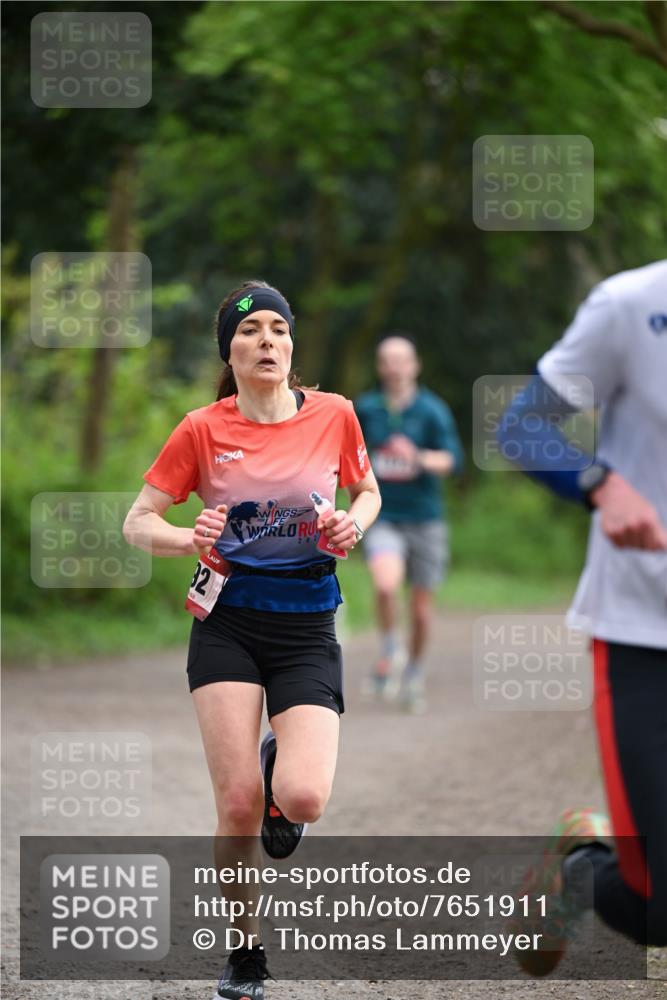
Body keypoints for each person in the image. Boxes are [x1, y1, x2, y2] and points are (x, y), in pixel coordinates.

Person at [123, 280, 381, 1000]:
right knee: (234, 804)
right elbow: (137, 520)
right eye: (249, 331)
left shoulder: (334, 416)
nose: (266, 340)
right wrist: (184, 537)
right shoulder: (201, 429)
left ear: (291, 345)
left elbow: (366, 490)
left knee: (301, 799)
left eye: (277, 328)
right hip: (227, 622)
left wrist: (353, 523)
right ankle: (245, 951)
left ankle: (278, 777)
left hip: (306, 627)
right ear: (229, 351)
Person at [497, 259, 667, 972]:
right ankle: (581, 868)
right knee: (657, 904)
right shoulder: (631, 305)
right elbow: (522, 425)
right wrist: (600, 485)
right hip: (639, 626)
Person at [354, 334, 463, 712]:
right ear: (380, 367)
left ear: (414, 365)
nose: (394, 367)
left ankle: (414, 673)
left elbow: (452, 461)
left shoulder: (432, 410)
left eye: (402, 360)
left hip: (426, 520)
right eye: (387, 360)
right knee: (385, 586)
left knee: (419, 609)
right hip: (384, 515)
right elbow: (350, 454)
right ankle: (390, 649)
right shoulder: (366, 408)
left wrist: (416, 456)